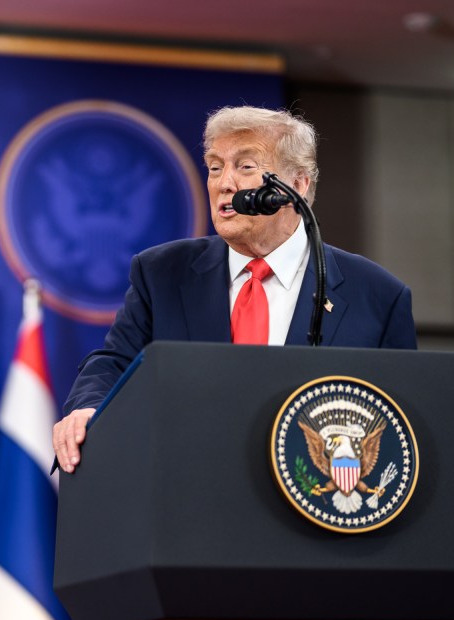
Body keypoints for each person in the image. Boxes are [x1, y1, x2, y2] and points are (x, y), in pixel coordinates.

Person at [52, 106, 417, 473]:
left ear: (298, 185)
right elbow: (113, 363)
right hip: (190, 485)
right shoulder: (161, 273)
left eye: (245, 166)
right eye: (215, 167)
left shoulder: (377, 297)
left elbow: (401, 424)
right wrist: (88, 407)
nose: (224, 183)